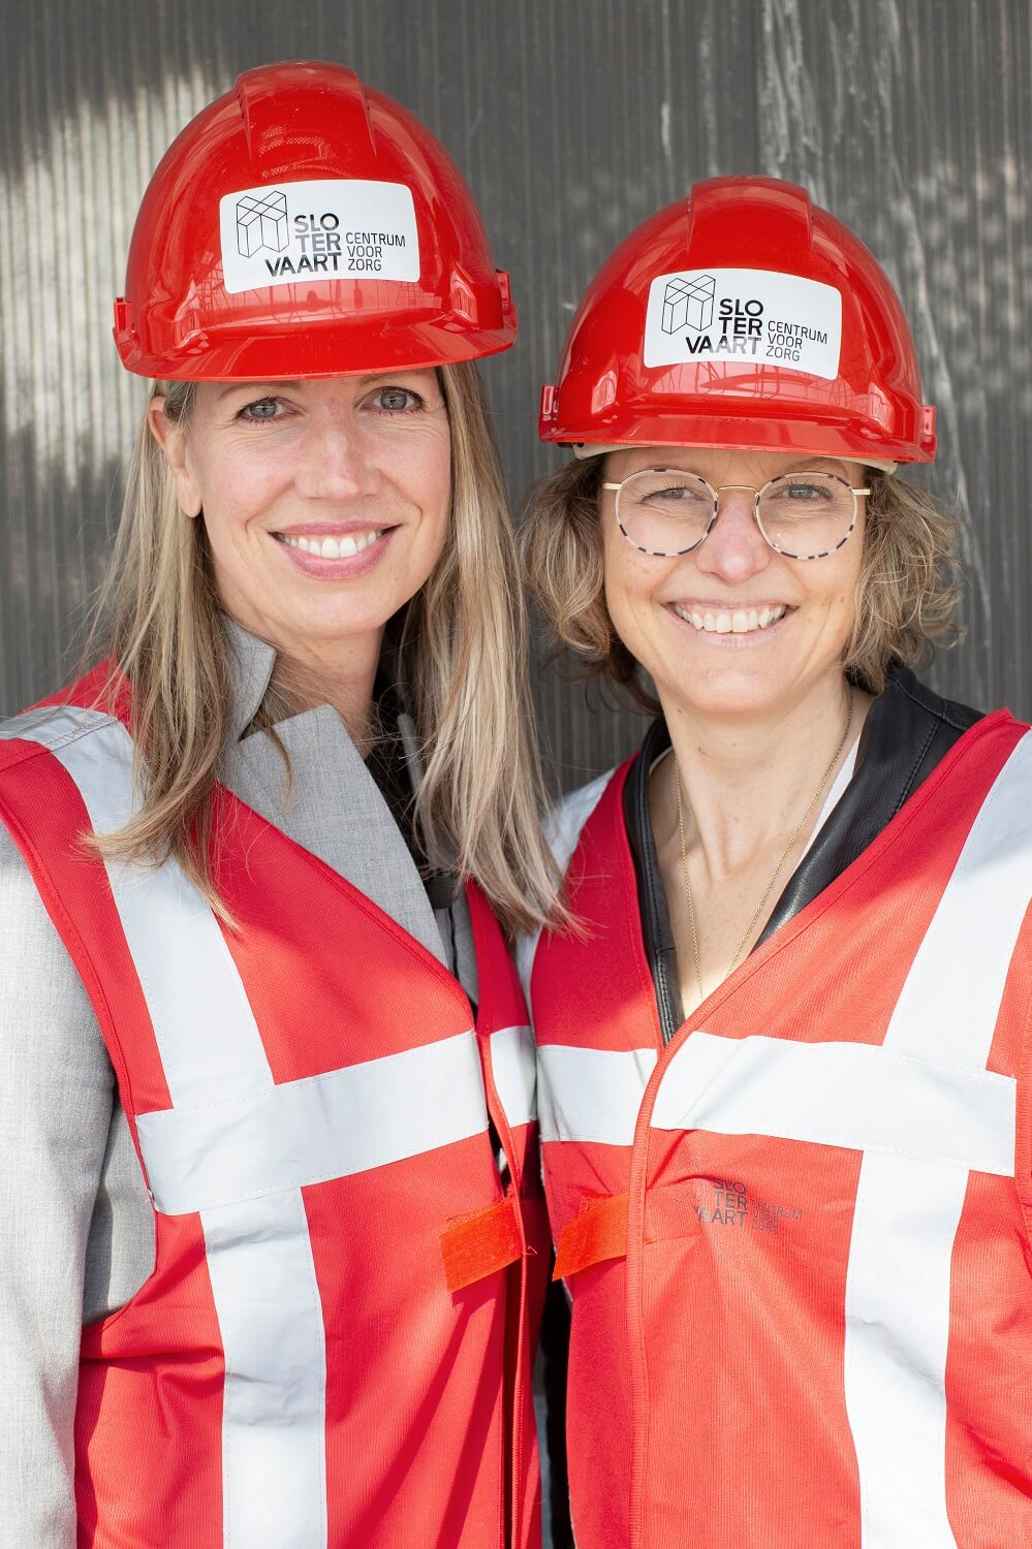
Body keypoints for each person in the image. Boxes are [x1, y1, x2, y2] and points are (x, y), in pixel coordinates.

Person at [0, 60, 556, 1549]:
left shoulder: (491, 829)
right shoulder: (47, 847)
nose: (339, 467)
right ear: (173, 452)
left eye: (391, 393)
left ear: (454, 435)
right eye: (265, 405)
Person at [519, 175, 1032, 1547]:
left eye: (799, 492)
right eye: (672, 491)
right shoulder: (536, 899)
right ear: (594, 530)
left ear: (874, 534)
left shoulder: (1016, 854)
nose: (733, 554)